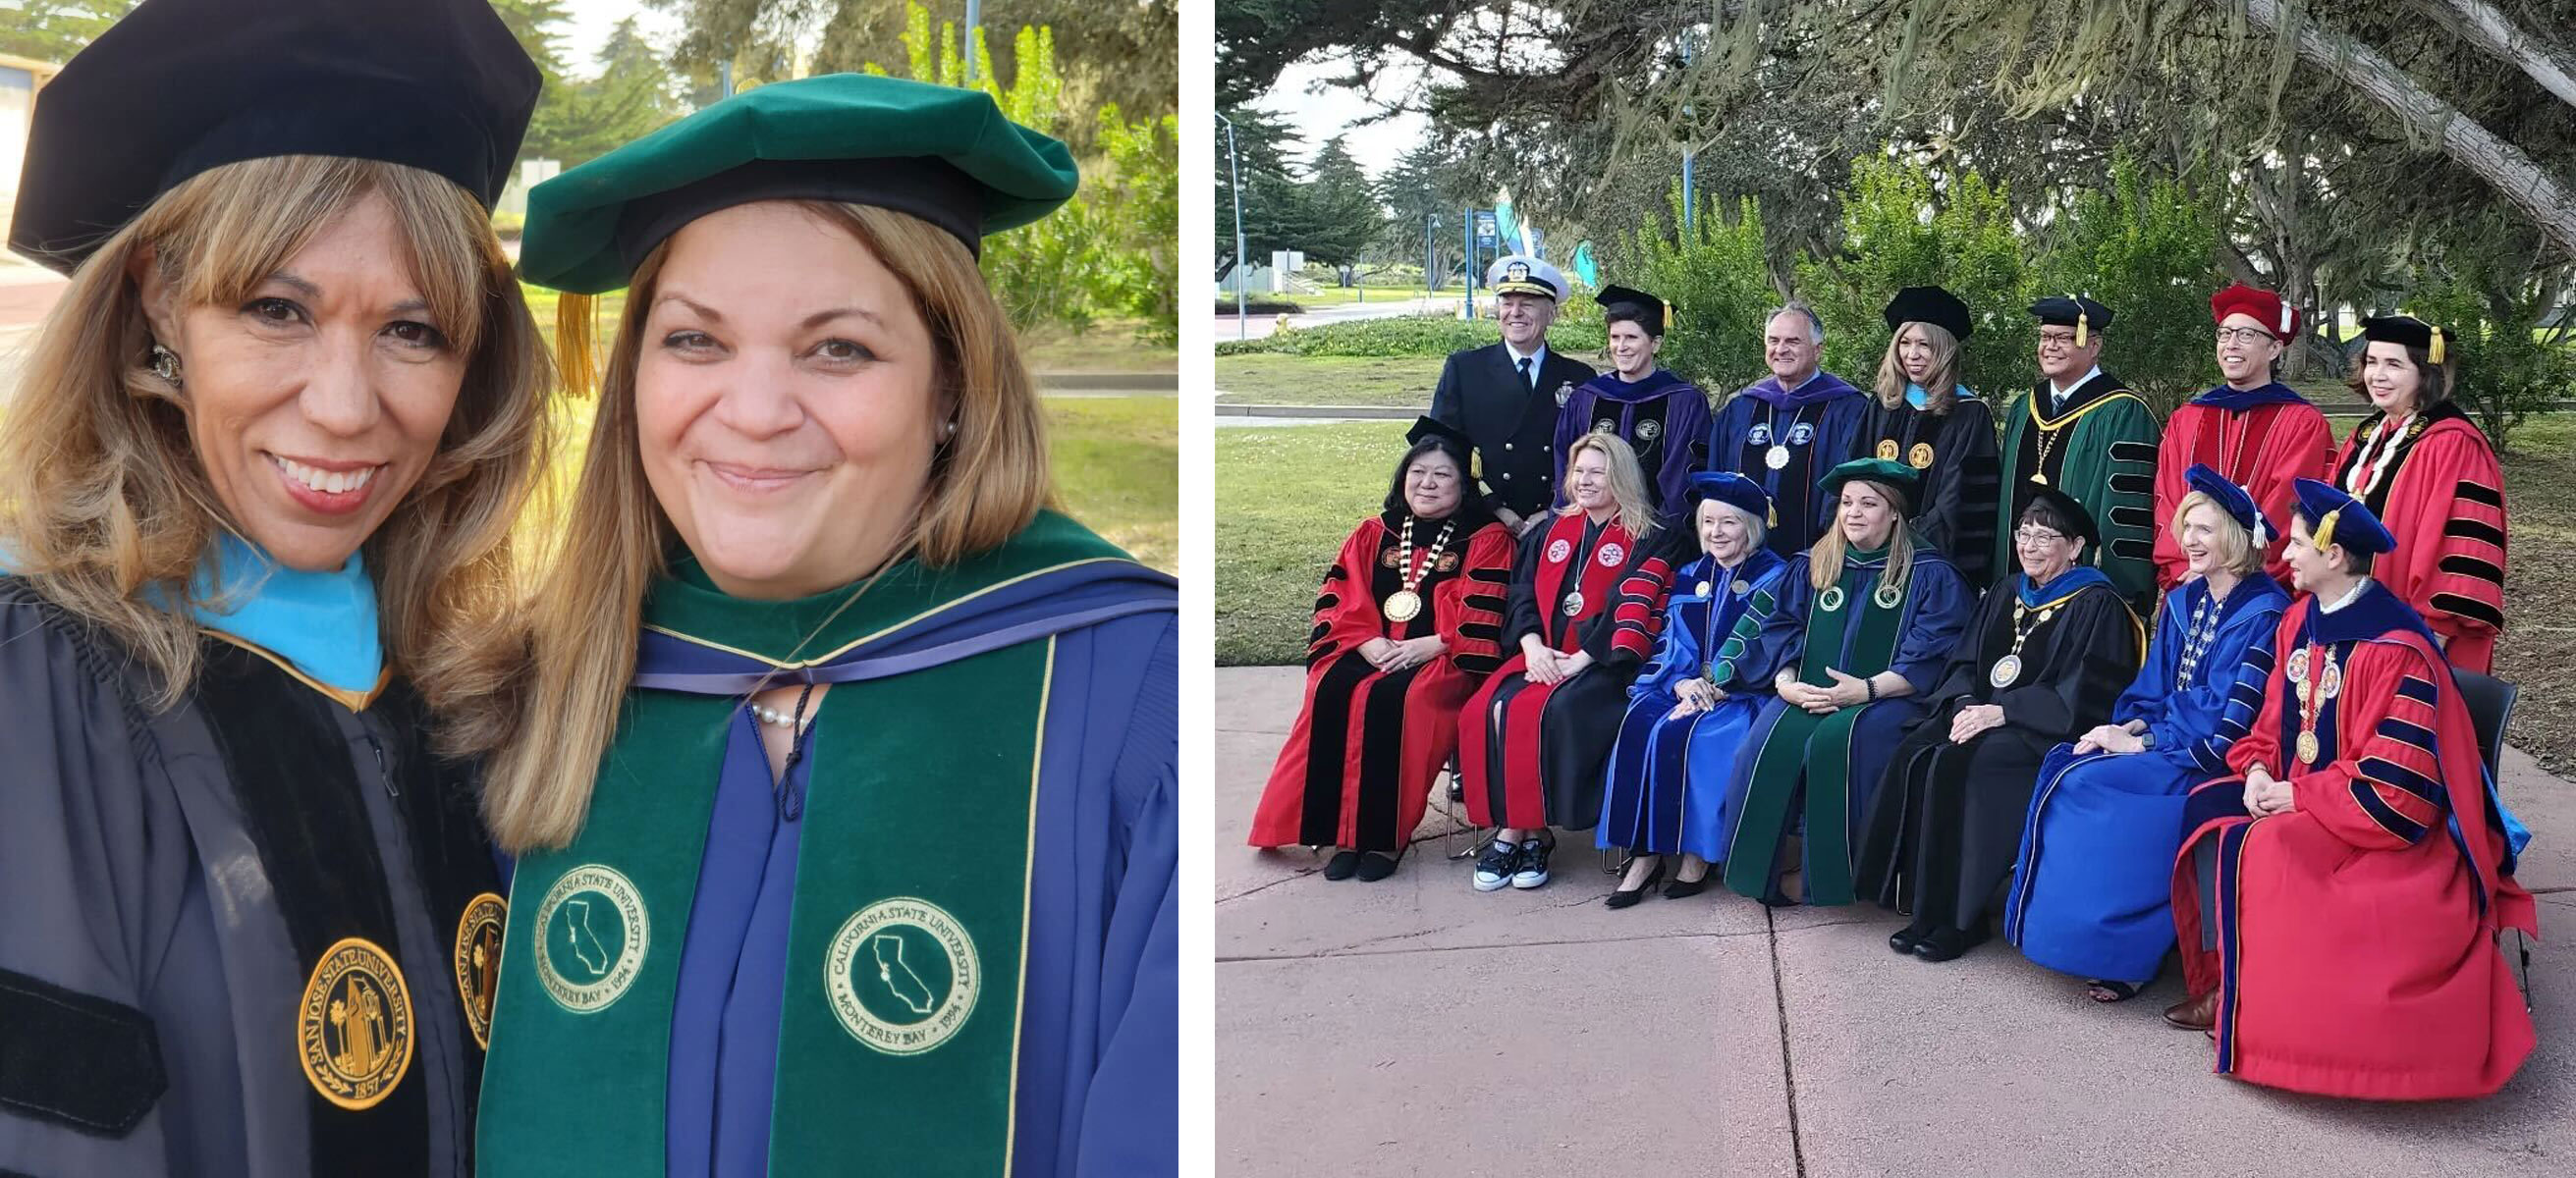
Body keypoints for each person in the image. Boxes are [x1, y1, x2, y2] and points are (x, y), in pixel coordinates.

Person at [474, 75, 1178, 1175]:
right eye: (695, 342)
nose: (753, 412)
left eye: (837, 349)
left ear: (952, 387)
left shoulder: (1133, 699)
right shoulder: (522, 691)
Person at [0, 1, 546, 1173]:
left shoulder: (465, 686)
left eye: (415, 330)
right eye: (277, 310)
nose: (348, 408)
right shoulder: (46, 686)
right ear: (158, 305)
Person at [2164, 479, 2535, 1099]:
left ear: (2335, 556)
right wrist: (2257, 769)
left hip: (2374, 824)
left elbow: (2398, 790)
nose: (2284, 556)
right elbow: (2266, 722)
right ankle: (2227, 982)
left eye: (2300, 545)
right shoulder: (2298, 623)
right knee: (2207, 806)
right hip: (2301, 790)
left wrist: (2298, 798)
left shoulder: (2398, 649)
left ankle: (2268, 1015)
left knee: (2268, 847)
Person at [2004, 465, 2289, 1002]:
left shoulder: (2265, 613)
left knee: (2092, 788)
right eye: (2187, 528)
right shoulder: (2184, 601)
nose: (2189, 540)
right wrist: (2128, 720)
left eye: (2204, 530)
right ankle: (2076, 938)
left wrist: (2143, 743)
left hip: (2211, 756)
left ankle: (2127, 956)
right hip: (2165, 737)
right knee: (2070, 764)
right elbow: (2153, 681)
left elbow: (2229, 710)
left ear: (2233, 536)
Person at [1858, 488, 2143, 963]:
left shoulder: (2098, 604)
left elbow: (2085, 692)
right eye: (2023, 534)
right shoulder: (2008, 591)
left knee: (1966, 764)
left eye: (2045, 537)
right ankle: (1923, 907)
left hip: (2042, 731)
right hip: (1982, 714)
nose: (2029, 546)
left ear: (2074, 548)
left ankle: (1963, 919)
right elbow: (1965, 660)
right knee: (1918, 750)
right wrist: (1968, 702)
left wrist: (2003, 712)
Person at [1248, 418, 1516, 882]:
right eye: (1418, 472)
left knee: (1401, 699)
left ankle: (1385, 837)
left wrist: (1434, 644)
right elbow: (1342, 597)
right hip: (1370, 646)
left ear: (1464, 484)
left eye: (1442, 475)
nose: (1427, 483)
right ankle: (1340, 833)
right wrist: (1366, 641)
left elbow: (1483, 612)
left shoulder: (1485, 537)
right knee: (1333, 689)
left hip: (1443, 657)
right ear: (1402, 477)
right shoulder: (1376, 531)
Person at [1719, 459, 1974, 906]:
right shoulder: (1815, 563)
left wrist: (1866, 691)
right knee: (1760, 746)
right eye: (1847, 503)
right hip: (1808, 689)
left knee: (1839, 745)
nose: (1854, 513)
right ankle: (1757, 866)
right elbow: (1780, 628)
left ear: (1894, 512)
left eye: (1869, 504)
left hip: (1890, 698)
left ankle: (1826, 880)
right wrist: (1785, 684)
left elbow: (1933, 655)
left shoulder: (1930, 573)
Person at [1457, 432, 1677, 892]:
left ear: (1621, 476)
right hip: (1540, 656)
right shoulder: (1547, 531)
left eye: (1597, 471)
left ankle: (1519, 832)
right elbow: (1520, 596)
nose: (1585, 480)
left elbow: (1632, 606)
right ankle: (1526, 830)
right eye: (1579, 471)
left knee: (1552, 711)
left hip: (1607, 665)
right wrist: (1533, 647)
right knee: (1485, 709)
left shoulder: (1651, 537)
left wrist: (1582, 658)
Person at [1594, 473, 1790, 906]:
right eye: (1708, 522)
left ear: (1752, 526)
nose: (1716, 532)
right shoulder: (1689, 574)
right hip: (1681, 685)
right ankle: (1644, 856)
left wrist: (1718, 687)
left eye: (1729, 523)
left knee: (1704, 737)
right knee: (1640, 726)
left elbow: (1772, 644)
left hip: (1741, 693)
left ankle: (1698, 855)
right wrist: (1681, 681)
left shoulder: (1776, 576)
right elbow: (1670, 640)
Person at [2329, 315, 2507, 674]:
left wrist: (2434, 635)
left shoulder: (2453, 443)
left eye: (2394, 364)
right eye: (2372, 362)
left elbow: (2466, 547)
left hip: (2419, 635)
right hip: (2349, 619)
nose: (2377, 375)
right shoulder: (2367, 437)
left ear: (2425, 372)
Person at [2152, 284, 2332, 592]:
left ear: (2274, 349)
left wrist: (2232, 575)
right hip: (2190, 585)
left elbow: (2287, 511)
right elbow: (2167, 500)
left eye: (2246, 335)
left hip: (2257, 593)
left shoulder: (2301, 423)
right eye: (2224, 334)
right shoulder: (2187, 419)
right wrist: (2186, 566)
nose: (2231, 344)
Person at [1993, 295, 2161, 609]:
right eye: (2045, 337)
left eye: (2064, 338)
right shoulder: (2023, 408)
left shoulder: (2124, 413)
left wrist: (2117, 598)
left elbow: (2126, 518)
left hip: (2084, 600)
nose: (2050, 346)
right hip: (2014, 588)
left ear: (2094, 346)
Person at [1426, 254, 1596, 531]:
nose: (1515, 312)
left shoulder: (1579, 377)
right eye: (1507, 303)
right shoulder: (1464, 369)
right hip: (1480, 519)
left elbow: (1590, 456)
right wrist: (1495, 507)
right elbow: (1443, 449)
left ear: (1552, 314)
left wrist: (1553, 510)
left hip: (1557, 521)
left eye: (1527, 304)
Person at [1859, 286, 2002, 584]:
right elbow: (1854, 474)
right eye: (1905, 343)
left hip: (1932, 564)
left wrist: (1905, 540)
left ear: (1944, 350)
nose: (1913, 354)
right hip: (1870, 556)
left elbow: (1960, 499)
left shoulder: (1969, 413)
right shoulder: (1882, 405)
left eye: (1924, 345)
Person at [1705, 303, 1870, 558]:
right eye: (1773, 341)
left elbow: (1849, 488)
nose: (1781, 349)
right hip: (1741, 560)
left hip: (1816, 557)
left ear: (1818, 350)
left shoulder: (1848, 409)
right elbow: (1718, 482)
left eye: (1793, 341)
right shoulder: (1741, 408)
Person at [1555, 284, 1711, 514]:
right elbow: (1565, 467)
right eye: (1615, 337)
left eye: (1631, 337)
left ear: (1655, 344)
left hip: (1655, 535)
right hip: (1591, 530)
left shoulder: (1683, 402)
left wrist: (1661, 536)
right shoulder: (1586, 399)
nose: (1621, 347)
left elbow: (1682, 479)